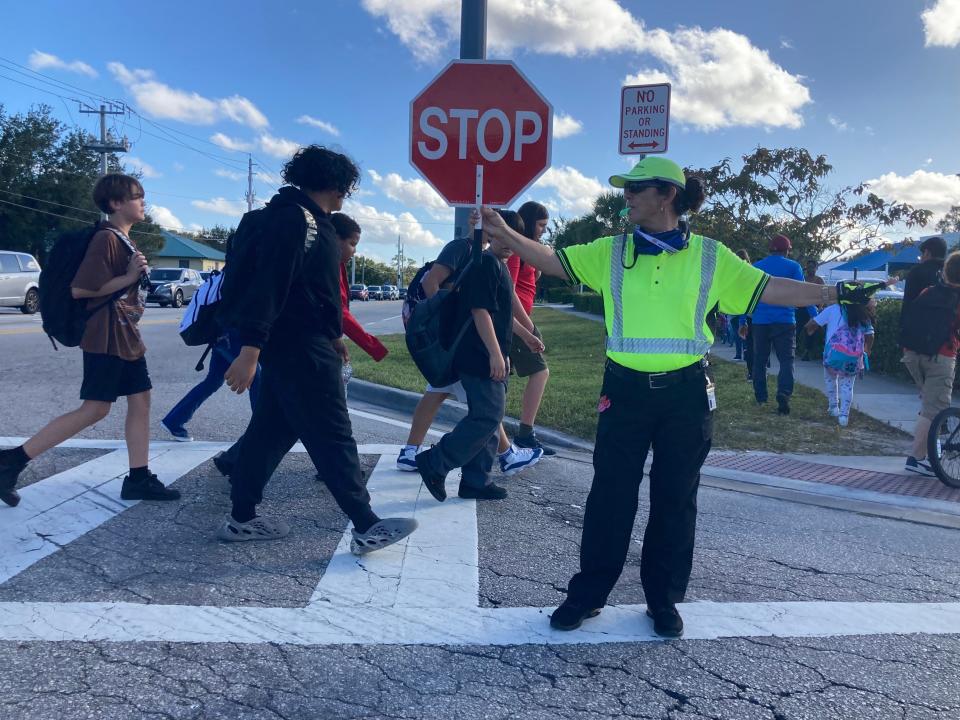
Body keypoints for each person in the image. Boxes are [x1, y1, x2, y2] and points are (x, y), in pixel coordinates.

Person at [479, 156, 886, 638]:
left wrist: (834, 293)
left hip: (687, 395)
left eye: (635, 189)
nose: (626, 196)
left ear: (666, 195)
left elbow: (771, 289)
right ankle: (587, 595)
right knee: (610, 496)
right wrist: (503, 230)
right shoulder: (610, 250)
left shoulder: (710, 255)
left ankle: (663, 600)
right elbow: (549, 259)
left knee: (675, 499)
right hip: (624, 391)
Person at [216, 145, 416, 554]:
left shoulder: (305, 218)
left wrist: (334, 334)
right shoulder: (296, 221)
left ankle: (241, 517)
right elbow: (272, 285)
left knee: (270, 430)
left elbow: (314, 292)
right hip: (300, 349)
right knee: (333, 435)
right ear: (336, 184)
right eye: (346, 187)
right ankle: (366, 525)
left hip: (300, 344)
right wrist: (250, 350)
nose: (346, 195)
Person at [0, 174, 178, 506]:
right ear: (115, 203)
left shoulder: (124, 240)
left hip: (124, 336)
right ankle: (10, 461)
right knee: (95, 409)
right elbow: (81, 289)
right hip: (106, 335)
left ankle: (139, 476)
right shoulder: (106, 239)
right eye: (136, 196)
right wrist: (127, 277)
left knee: (140, 401)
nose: (143, 202)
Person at [211, 211, 386, 481]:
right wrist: (373, 346)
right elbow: (335, 310)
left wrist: (336, 338)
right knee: (327, 417)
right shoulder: (320, 259)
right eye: (352, 243)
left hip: (306, 347)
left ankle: (238, 466)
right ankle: (341, 476)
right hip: (303, 349)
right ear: (335, 238)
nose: (354, 251)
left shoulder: (331, 261)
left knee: (281, 418)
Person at [395, 213, 543, 477]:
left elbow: (500, 312)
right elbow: (445, 290)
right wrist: (446, 323)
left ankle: (413, 452)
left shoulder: (488, 260)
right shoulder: (464, 250)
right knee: (485, 408)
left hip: (466, 341)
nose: (508, 239)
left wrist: (524, 334)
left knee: (451, 396)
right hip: (464, 342)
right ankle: (499, 456)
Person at [414, 210, 525, 501]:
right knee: (488, 415)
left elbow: (500, 316)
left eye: (515, 236)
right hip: (478, 355)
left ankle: (476, 480)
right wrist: (495, 354)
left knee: (488, 416)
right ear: (490, 232)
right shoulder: (485, 264)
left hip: (489, 353)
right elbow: (480, 311)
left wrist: (516, 344)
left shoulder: (496, 264)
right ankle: (435, 461)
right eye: (502, 233)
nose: (509, 241)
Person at [161, 262, 262, 443]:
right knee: (256, 377)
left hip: (221, 334)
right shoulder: (242, 271)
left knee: (213, 381)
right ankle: (262, 432)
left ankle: (175, 420)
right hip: (232, 334)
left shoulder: (232, 269)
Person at [900, 244, 958, 477]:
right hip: (940, 356)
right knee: (934, 410)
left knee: (929, 405)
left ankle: (927, 450)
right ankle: (917, 458)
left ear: (945, 271)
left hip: (912, 354)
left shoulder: (928, 292)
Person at [747, 235, 817, 415]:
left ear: (770, 249)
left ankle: (761, 398)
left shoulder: (756, 267)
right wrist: (815, 316)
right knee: (787, 361)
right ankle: (784, 393)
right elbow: (803, 294)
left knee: (759, 361)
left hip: (760, 321)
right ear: (787, 250)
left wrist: (742, 321)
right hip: (785, 321)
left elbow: (749, 298)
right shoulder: (793, 267)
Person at [508, 201, 556, 455]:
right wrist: (527, 328)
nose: (543, 231)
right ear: (528, 223)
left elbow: (530, 281)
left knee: (500, 380)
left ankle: (494, 435)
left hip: (519, 320)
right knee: (540, 372)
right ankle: (525, 434)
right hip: (515, 321)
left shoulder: (526, 251)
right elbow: (509, 291)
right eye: (540, 225)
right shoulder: (515, 252)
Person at [805, 300, 875, 426]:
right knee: (847, 386)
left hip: (833, 354)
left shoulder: (833, 309)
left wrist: (809, 331)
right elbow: (870, 335)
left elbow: (813, 323)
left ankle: (833, 408)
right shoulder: (862, 312)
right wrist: (867, 350)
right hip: (853, 358)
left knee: (831, 380)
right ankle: (844, 416)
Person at [796, 259, 826, 361]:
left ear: (816, 268)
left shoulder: (819, 280)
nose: (810, 269)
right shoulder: (803, 279)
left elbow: (824, 295)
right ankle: (796, 349)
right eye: (809, 267)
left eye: (812, 267)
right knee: (798, 328)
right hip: (802, 308)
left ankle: (808, 352)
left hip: (814, 309)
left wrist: (820, 307)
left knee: (811, 330)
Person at [733, 250, 751, 362]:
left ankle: (740, 353)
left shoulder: (736, 271)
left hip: (737, 305)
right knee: (745, 332)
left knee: (738, 331)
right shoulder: (751, 270)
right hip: (745, 305)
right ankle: (744, 353)